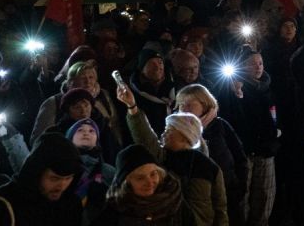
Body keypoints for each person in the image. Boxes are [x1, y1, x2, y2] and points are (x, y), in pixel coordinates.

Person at [115, 83, 228, 226]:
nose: (163, 134)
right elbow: (145, 137)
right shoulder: (163, 158)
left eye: (169, 130)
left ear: (184, 136)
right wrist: (132, 108)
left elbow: (220, 208)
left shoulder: (207, 166)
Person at [0, 132, 83, 226]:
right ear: (36, 172)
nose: (62, 186)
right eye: (54, 178)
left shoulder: (70, 204)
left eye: (68, 178)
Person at [174, 84, 247, 226]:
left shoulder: (220, 126)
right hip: (197, 200)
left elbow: (240, 157)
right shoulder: (176, 131)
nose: (184, 108)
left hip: (229, 193)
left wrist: (240, 186)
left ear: (205, 104)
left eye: (189, 104)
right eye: (181, 104)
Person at [221, 50, 277, 226]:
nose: (258, 67)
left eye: (260, 63)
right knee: (242, 196)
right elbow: (232, 119)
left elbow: (273, 116)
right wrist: (236, 95)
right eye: (252, 63)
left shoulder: (266, 87)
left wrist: (274, 137)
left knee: (264, 195)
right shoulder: (230, 87)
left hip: (265, 149)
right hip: (243, 151)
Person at [93, 144, 186, 225]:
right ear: (126, 184)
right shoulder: (113, 212)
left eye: (153, 174)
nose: (149, 182)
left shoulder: (175, 202)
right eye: (140, 178)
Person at [65, 117, 115, 222]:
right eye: (80, 130)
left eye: (91, 131)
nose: (86, 133)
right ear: (70, 137)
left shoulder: (109, 171)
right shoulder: (61, 168)